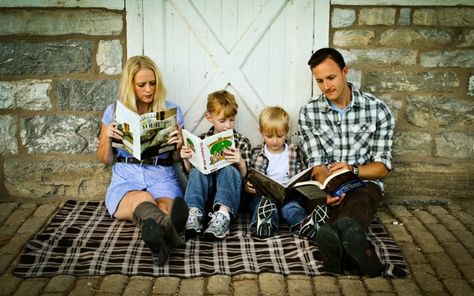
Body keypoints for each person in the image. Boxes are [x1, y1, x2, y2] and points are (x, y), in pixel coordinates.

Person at [298, 48, 395, 277]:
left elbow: (382, 168)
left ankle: (336, 252)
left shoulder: (378, 111)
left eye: (331, 78)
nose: (326, 86)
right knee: (322, 205)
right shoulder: (309, 112)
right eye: (319, 81)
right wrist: (326, 189)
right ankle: (357, 252)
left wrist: (354, 170)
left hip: (363, 182)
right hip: (328, 184)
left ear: (344, 72)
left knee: (357, 204)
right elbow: (318, 165)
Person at [98, 55, 188, 265]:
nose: (148, 89)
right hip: (126, 178)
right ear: (130, 85)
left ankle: (159, 247)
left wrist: (179, 143)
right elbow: (104, 158)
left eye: (152, 83)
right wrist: (107, 137)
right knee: (143, 200)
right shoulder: (114, 112)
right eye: (142, 85)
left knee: (167, 207)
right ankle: (174, 234)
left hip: (161, 175)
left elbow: (176, 158)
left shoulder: (171, 111)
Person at [245, 106, 327, 239]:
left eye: (280, 136)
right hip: (264, 197)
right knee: (263, 205)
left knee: (292, 208)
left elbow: (303, 174)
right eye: (269, 136)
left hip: (289, 196)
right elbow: (250, 176)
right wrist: (247, 186)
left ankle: (304, 226)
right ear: (261, 132)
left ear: (287, 131)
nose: (274, 141)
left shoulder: (294, 151)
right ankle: (265, 224)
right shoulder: (255, 153)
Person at [180, 90, 251, 240]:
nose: (228, 126)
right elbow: (189, 173)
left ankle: (222, 217)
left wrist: (241, 162)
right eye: (222, 120)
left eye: (232, 120)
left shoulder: (242, 141)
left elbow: (245, 179)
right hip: (206, 198)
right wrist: (186, 158)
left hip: (230, 200)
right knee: (197, 171)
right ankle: (194, 214)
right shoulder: (201, 140)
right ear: (209, 117)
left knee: (228, 169)